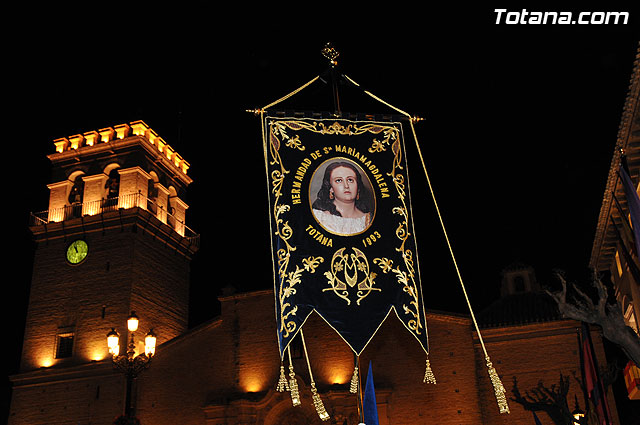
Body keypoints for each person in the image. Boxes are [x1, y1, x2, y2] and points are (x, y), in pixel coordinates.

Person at [312, 161, 373, 235]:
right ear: (331, 188)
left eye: (350, 180)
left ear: (358, 186)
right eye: (339, 180)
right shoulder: (318, 217)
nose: (346, 186)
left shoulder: (369, 219)